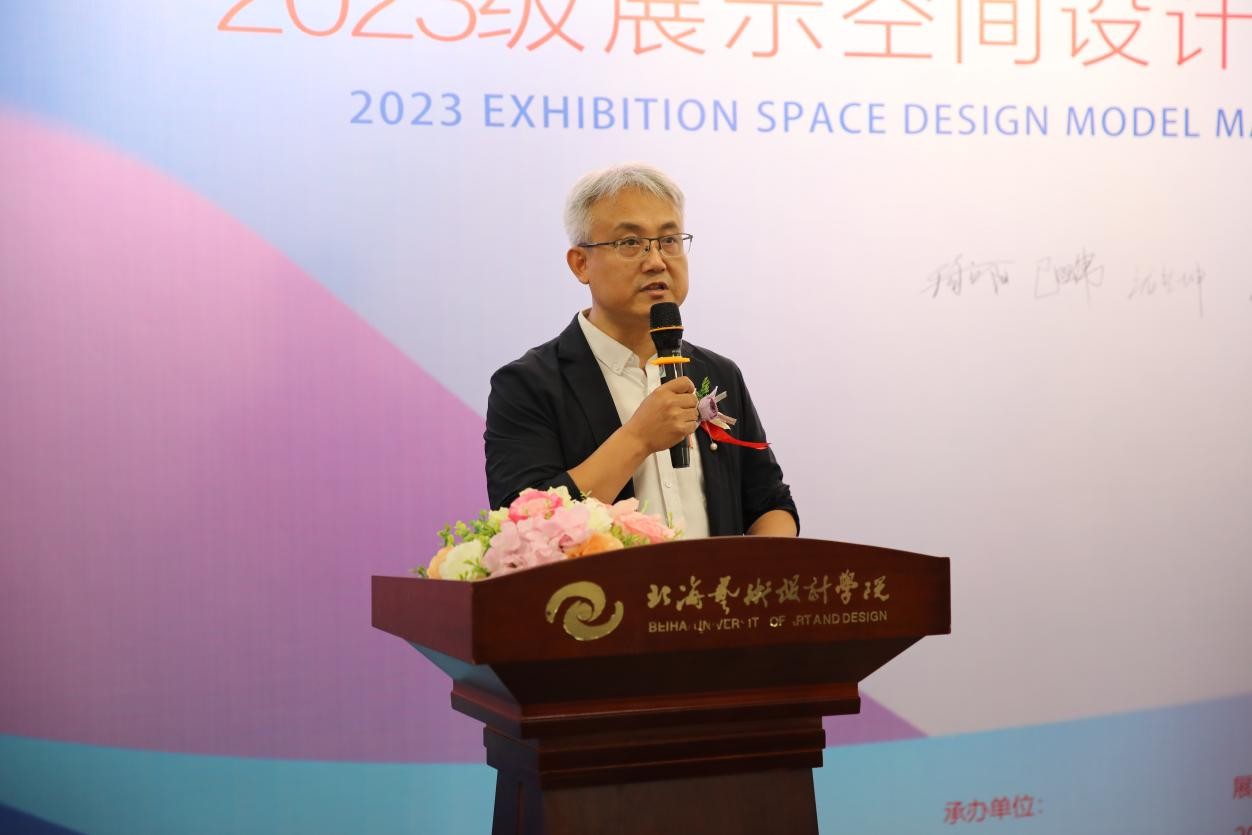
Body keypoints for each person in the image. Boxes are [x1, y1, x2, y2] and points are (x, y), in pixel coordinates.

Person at [484, 163, 798, 537]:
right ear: (581, 264)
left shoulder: (718, 372)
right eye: (631, 243)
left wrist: (758, 569)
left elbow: (770, 503)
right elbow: (524, 526)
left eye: (669, 241)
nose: (656, 261)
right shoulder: (528, 385)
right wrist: (638, 438)